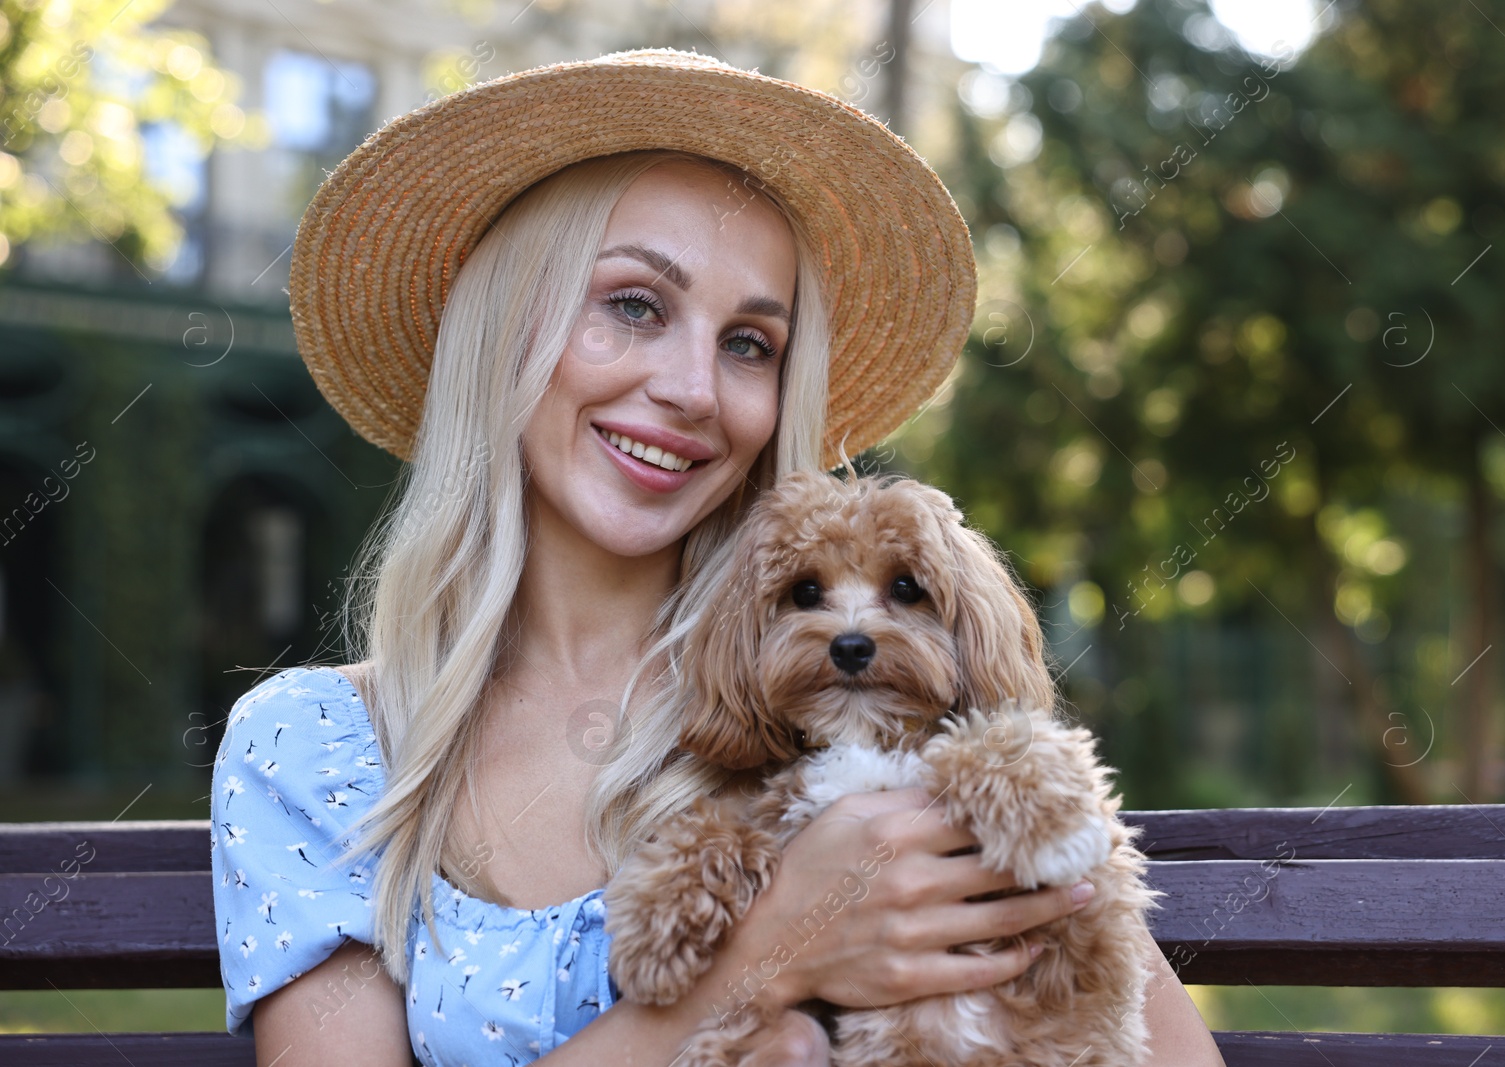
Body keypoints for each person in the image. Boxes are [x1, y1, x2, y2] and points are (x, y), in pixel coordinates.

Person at [210, 49, 1226, 1067]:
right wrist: (770, 953)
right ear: (506, 326)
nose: (694, 387)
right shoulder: (318, 751)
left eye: (750, 343)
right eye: (635, 306)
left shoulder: (832, 699)